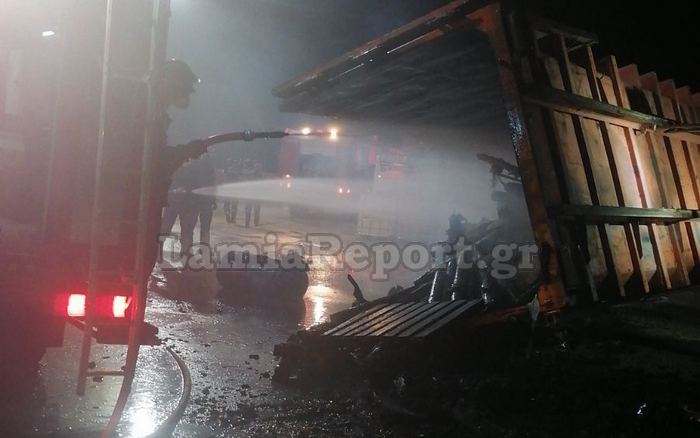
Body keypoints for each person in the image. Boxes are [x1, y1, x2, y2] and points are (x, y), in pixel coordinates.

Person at [242, 159, 262, 227]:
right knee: (256, 209)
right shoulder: (254, 173)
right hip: (255, 194)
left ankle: (248, 223)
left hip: (250, 194)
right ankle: (255, 222)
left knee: (249, 209)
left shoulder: (247, 172)